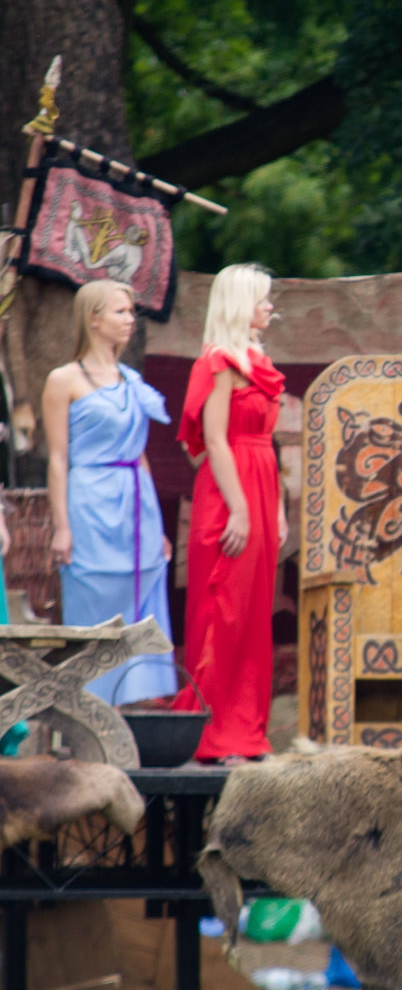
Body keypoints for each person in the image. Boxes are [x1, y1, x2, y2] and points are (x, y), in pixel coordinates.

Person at [170, 264, 286, 764]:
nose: (270, 308)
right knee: (224, 610)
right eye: (262, 300)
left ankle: (247, 731)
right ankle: (213, 734)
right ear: (240, 304)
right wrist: (239, 508)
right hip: (229, 490)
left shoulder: (259, 358)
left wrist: (275, 510)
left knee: (254, 614)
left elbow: (269, 440)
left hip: (260, 484)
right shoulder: (217, 361)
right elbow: (213, 440)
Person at [42, 279, 176, 704]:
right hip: (90, 501)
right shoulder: (63, 380)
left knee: (139, 607)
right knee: (91, 602)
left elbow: (139, 456)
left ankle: (132, 707)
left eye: (131, 312)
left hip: (136, 503)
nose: (130, 320)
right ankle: (86, 708)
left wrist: (156, 527)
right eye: (121, 312)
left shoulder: (132, 382)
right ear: (93, 318)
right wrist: (61, 526)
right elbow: (58, 459)